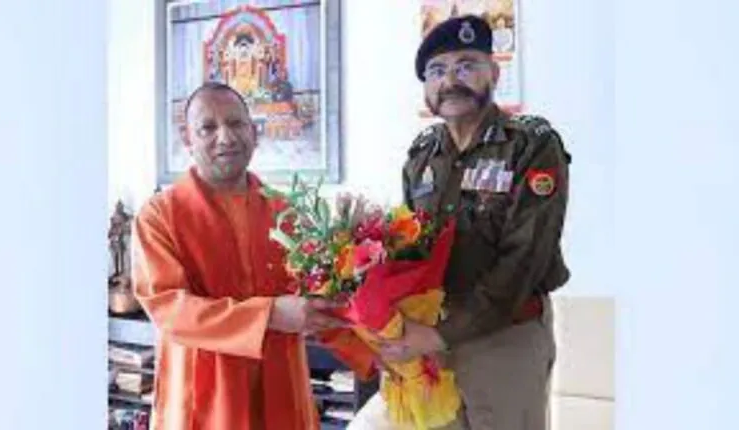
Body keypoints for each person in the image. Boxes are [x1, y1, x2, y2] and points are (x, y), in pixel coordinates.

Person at [351, 15, 572, 430]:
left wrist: (437, 335)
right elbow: (411, 253)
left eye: (466, 65)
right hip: (430, 337)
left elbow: (524, 259)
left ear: (494, 72)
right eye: (437, 71)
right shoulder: (422, 154)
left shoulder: (531, 145)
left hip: (504, 338)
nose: (450, 80)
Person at [131, 82, 377, 429]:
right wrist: (269, 316)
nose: (226, 137)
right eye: (208, 128)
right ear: (188, 139)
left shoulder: (285, 211)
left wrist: (378, 354)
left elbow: (319, 299)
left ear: (254, 132)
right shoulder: (159, 216)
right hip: (205, 401)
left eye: (236, 123)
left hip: (281, 391)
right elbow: (170, 311)